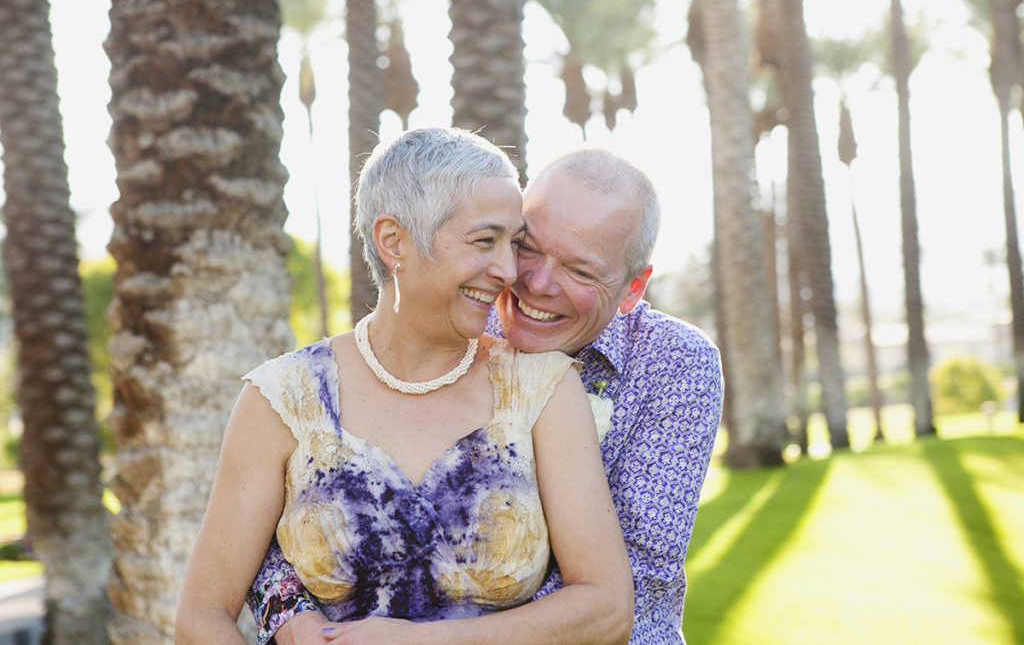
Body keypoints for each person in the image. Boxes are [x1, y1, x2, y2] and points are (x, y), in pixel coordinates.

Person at [175, 128, 635, 644]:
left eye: (514, 242)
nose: (509, 270)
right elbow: (203, 616)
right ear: (394, 241)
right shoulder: (284, 398)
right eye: (486, 240)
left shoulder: (540, 391)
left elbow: (606, 609)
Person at [252, 148, 725, 644]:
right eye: (527, 246)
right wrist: (298, 622)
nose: (537, 284)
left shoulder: (676, 362)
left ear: (632, 288)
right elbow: (299, 509)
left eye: (580, 272)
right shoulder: (462, 318)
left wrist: (423, 638)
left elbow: (628, 588)